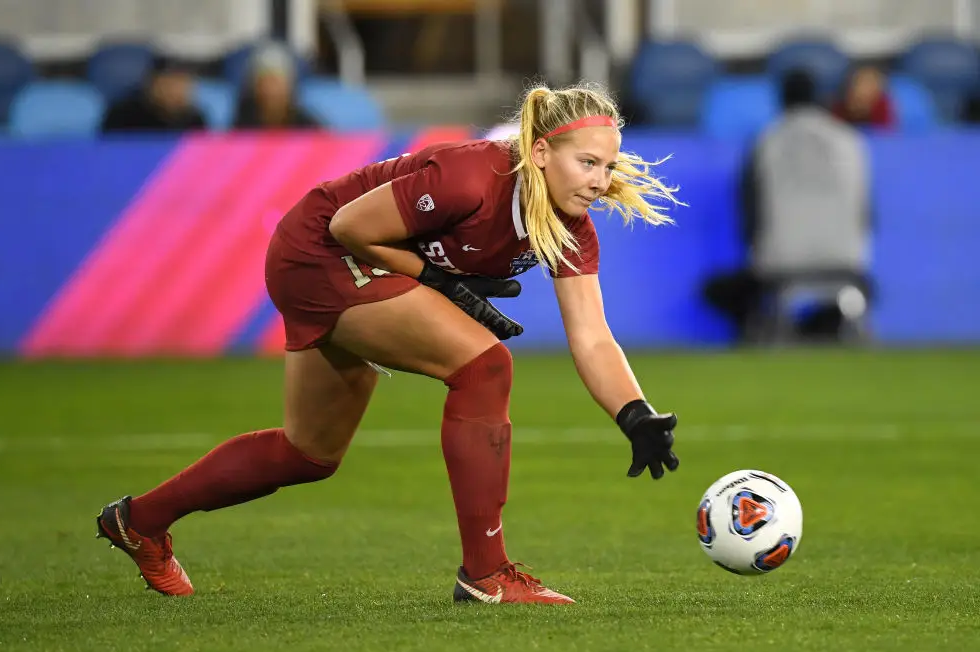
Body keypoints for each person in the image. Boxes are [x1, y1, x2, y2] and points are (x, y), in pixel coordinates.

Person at [96, 83, 682, 605]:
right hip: (319, 251)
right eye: (587, 163)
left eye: (607, 166)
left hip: (353, 260)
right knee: (483, 366)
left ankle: (138, 521)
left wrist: (634, 414)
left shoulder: (570, 225)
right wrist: (439, 282)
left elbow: (591, 335)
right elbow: (346, 227)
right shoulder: (473, 177)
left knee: (309, 454)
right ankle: (487, 573)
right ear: (539, 153)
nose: (601, 181)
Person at [704, 69, 872, 343]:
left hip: (778, 263)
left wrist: (755, 251)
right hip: (848, 261)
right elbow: (866, 211)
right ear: (819, 99)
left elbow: (749, 211)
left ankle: (762, 333)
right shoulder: (849, 141)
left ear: (782, 100)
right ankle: (825, 324)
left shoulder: (766, 141)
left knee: (716, 290)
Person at [101, 56, 207, 133]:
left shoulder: (195, 119)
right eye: (169, 83)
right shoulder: (122, 115)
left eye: (183, 83)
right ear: (153, 83)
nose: (176, 90)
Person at [232, 43, 320, 130]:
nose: (271, 90)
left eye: (276, 82)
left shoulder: (306, 126)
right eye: (265, 82)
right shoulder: (243, 125)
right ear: (255, 88)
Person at [831, 65, 895, 129]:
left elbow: (884, 131)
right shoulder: (842, 106)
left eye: (871, 85)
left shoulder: (882, 105)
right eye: (862, 83)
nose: (865, 89)